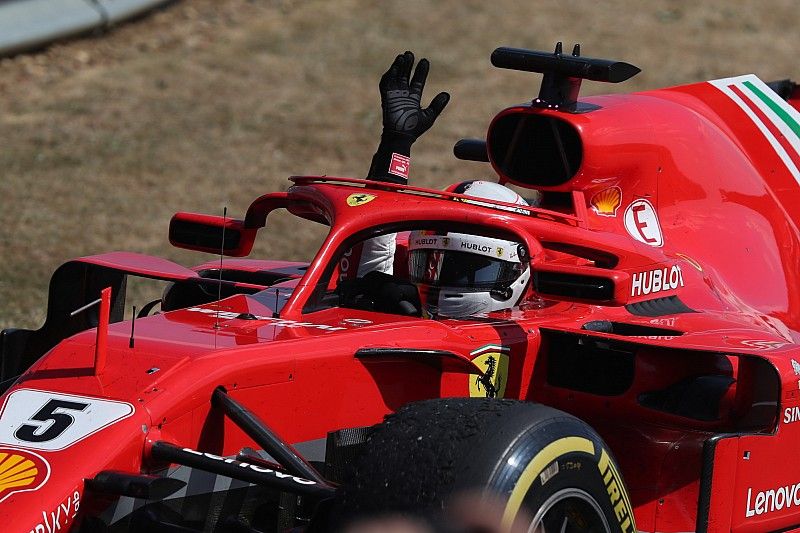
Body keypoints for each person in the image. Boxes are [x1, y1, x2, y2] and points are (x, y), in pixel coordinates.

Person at [351, 51, 533, 318]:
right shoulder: (404, 306)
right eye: (430, 265)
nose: (441, 282)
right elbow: (375, 261)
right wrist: (396, 142)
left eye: (463, 270)